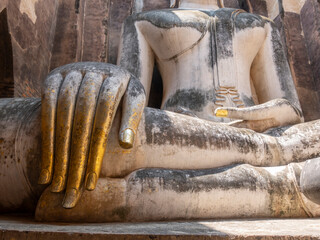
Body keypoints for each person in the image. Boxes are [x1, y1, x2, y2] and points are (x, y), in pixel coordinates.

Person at [1, 0, 320, 220]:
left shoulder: (260, 25)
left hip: (266, 128)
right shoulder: (145, 22)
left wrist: (251, 114)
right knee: (112, 135)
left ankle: (285, 173)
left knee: (294, 141)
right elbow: (130, 95)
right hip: (178, 126)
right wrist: (107, 78)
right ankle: (287, 178)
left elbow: (291, 109)